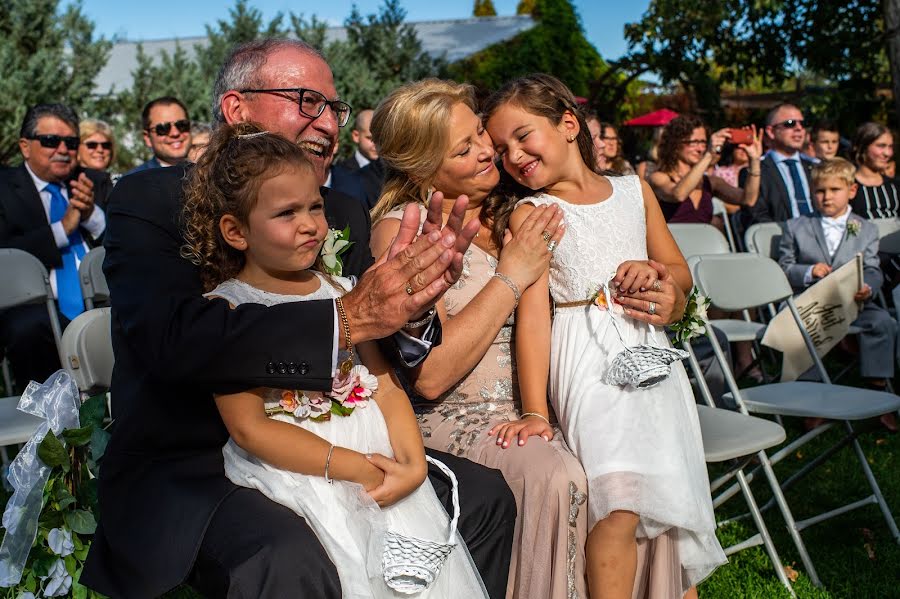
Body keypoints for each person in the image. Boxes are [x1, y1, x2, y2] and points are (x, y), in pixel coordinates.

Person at [82, 39, 515, 599]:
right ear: (237, 109)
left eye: (334, 108)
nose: (329, 123)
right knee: (287, 557)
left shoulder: (340, 211)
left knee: (480, 497)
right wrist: (349, 317)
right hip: (199, 458)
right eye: (308, 101)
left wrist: (412, 307)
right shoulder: (154, 198)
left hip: (342, 427)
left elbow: (383, 354)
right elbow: (172, 339)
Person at [182, 121, 488, 597]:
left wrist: (411, 462)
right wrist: (357, 467)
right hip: (304, 476)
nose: (310, 224)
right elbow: (250, 428)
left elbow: (384, 385)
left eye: (315, 207)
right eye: (287, 213)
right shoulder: (230, 310)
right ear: (235, 231)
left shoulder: (341, 292)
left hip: (383, 462)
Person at [484, 74, 725, 599]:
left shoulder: (632, 190)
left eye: (523, 136)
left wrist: (659, 277)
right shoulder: (531, 213)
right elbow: (533, 317)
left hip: (652, 359)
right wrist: (534, 411)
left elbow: (680, 273)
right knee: (615, 502)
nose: (513, 155)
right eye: (502, 149)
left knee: (667, 491)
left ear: (569, 123)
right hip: (586, 362)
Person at [370, 78, 593, 599]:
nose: (487, 152)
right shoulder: (404, 232)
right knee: (551, 473)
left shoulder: (513, 208)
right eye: (464, 148)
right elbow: (430, 376)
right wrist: (510, 276)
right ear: (421, 168)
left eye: (479, 136)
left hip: (542, 402)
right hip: (458, 417)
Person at [777, 158, 897, 431]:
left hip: (854, 305)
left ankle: (878, 392)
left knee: (883, 323)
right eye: (820, 191)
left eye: (834, 190)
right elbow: (784, 268)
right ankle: (812, 397)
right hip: (813, 304)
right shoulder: (796, 226)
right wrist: (808, 272)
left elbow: (873, 269)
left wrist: (868, 287)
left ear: (851, 191)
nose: (826, 197)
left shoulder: (866, 228)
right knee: (803, 325)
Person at [0, 103, 108, 391]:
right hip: (34, 310)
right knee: (30, 329)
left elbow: (123, 241)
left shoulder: (94, 182)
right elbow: (6, 252)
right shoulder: (4, 188)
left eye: (71, 142)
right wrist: (63, 228)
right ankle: (48, 427)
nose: (63, 149)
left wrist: (91, 216)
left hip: (100, 302)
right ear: (25, 146)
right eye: (50, 141)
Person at [649, 115, 762, 223]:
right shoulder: (658, 178)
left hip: (705, 242)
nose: (700, 149)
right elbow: (679, 194)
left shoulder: (711, 183)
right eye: (693, 142)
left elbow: (748, 199)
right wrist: (709, 155)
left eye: (703, 142)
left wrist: (755, 160)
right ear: (675, 145)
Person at [742, 103, 816, 225]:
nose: (799, 128)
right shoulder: (753, 173)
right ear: (771, 132)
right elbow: (757, 216)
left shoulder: (816, 168)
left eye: (802, 124)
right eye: (790, 123)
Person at [125, 96, 192, 175]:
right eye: (163, 128)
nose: (175, 133)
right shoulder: (133, 181)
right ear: (147, 138)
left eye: (182, 125)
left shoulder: (206, 174)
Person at [850, 122, 899, 220]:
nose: (887, 153)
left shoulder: (895, 186)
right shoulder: (848, 186)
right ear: (863, 147)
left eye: (890, 147)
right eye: (881, 146)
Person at [77, 118, 116, 207]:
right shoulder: (67, 183)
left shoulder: (118, 182)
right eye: (92, 145)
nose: (100, 150)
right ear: (77, 147)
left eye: (106, 145)